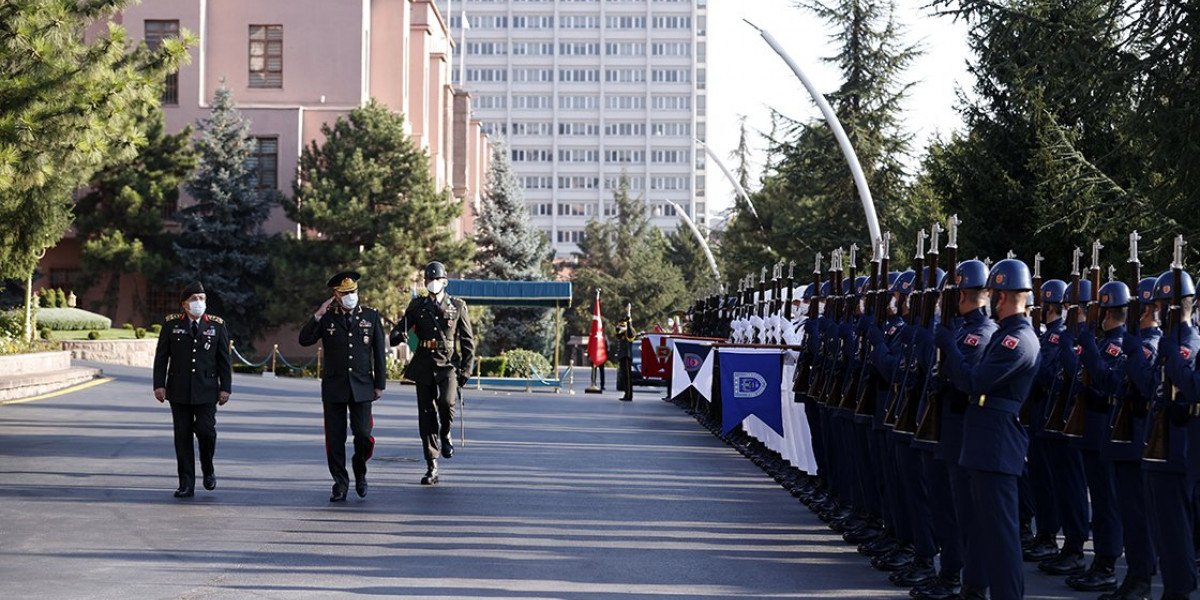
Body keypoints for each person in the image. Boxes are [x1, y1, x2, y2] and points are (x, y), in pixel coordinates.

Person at [935, 258, 1040, 600]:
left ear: (1005, 296)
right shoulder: (1007, 335)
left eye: (994, 293)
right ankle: (975, 588)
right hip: (983, 441)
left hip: (996, 443)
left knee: (1002, 539)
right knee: (980, 529)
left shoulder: (1019, 340)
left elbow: (974, 381)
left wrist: (949, 345)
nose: (989, 299)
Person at [298, 271, 387, 502]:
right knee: (335, 439)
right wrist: (317, 315)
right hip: (335, 386)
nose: (350, 296)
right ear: (336, 295)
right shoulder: (327, 317)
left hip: (362, 386)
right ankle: (340, 482)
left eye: (353, 292)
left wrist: (380, 384)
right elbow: (305, 339)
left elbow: (379, 354)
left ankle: (360, 470)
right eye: (345, 293)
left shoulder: (371, 316)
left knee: (363, 435)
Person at [392, 261, 474, 485]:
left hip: (447, 365)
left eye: (436, 280)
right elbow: (400, 328)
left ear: (445, 282)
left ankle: (445, 432)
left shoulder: (457, 306)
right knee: (426, 415)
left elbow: (467, 341)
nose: (432, 283)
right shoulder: (417, 306)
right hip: (424, 363)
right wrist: (398, 334)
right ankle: (432, 465)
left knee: (447, 403)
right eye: (429, 280)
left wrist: (466, 370)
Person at [152, 281, 231, 499]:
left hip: (207, 390)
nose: (199, 302)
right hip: (178, 390)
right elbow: (161, 357)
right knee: (183, 437)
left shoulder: (217, 325)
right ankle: (186, 483)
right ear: (184, 304)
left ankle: (208, 467)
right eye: (194, 299)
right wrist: (159, 384)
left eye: (202, 298)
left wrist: (226, 388)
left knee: (207, 432)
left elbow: (224, 359)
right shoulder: (171, 324)